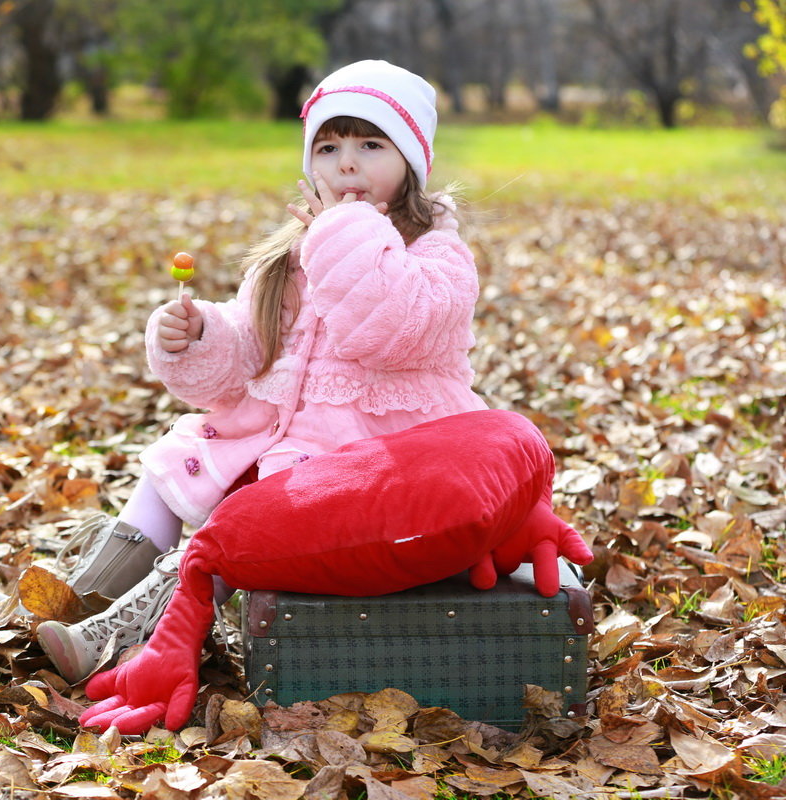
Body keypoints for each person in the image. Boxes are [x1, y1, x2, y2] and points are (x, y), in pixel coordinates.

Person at [36, 59, 488, 683]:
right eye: (328, 146)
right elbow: (249, 353)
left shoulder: (437, 256)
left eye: (370, 144)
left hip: (371, 460)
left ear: (412, 160)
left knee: (241, 520)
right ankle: (85, 596)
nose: (346, 164)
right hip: (279, 434)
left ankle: (132, 631)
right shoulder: (291, 256)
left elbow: (388, 325)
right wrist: (199, 338)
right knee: (174, 466)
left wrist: (340, 229)